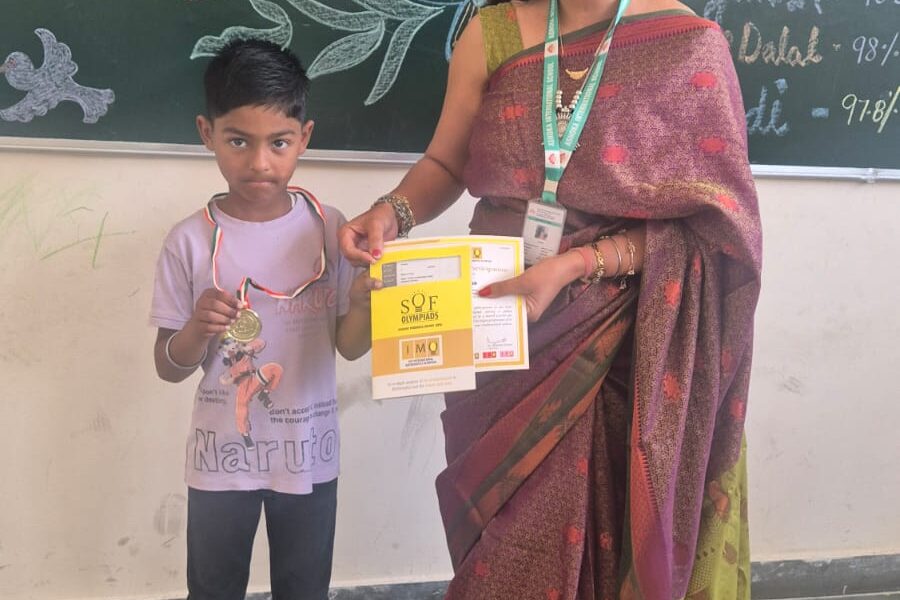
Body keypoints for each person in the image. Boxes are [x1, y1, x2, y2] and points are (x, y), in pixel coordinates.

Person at [339, 0, 762, 598]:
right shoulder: (493, 33)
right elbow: (446, 162)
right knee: (500, 550)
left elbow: (714, 228)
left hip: (621, 346)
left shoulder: (689, 43)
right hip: (499, 322)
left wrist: (576, 264)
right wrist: (392, 212)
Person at [150, 39, 377, 600]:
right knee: (212, 589)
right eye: (238, 141)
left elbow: (350, 347)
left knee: (304, 590)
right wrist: (196, 330)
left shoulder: (330, 229)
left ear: (304, 137)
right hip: (221, 461)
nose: (259, 162)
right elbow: (168, 366)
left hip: (309, 456)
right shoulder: (189, 240)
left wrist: (365, 303)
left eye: (278, 142)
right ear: (207, 133)